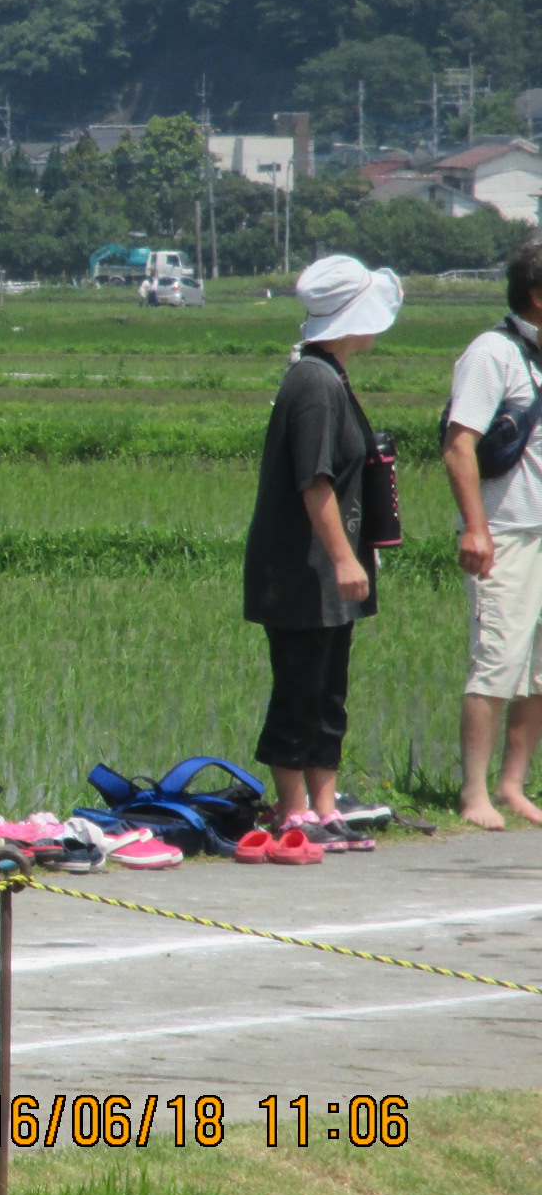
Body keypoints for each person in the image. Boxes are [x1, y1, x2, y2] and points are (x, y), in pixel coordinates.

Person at [243, 254, 399, 836]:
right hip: (303, 572)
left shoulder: (329, 376)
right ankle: (292, 812)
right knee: (300, 690)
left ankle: (325, 809)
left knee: (330, 693)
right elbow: (315, 480)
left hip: (325, 574)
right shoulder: (313, 383)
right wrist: (342, 558)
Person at [442, 239, 542, 828]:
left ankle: (513, 784)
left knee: (537, 669)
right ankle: (473, 791)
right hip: (504, 531)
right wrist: (475, 529)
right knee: (497, 661)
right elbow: (459, 445)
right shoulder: (492, 353)